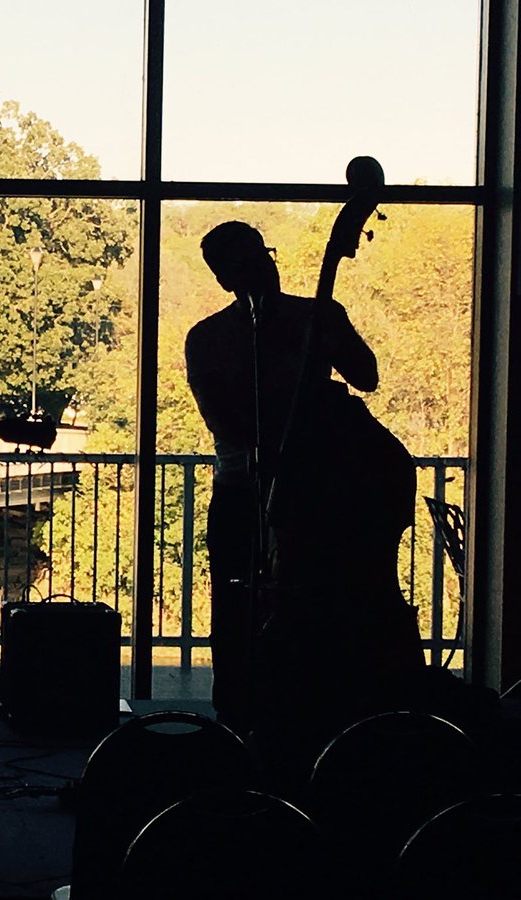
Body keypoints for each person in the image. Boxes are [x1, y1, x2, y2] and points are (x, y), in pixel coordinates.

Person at [184, 221, 398, 735]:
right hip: (251, 489)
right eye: (249, 262)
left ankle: (282, 713)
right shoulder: (210, 338)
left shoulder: (312, 317)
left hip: (300, 491)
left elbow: (365, 375)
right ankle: (241, 716)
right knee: (239, 606)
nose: (263, 268)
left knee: (256, 605)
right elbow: (227, 422)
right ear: (225, 277)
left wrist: (329, 334)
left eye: (263, 256)